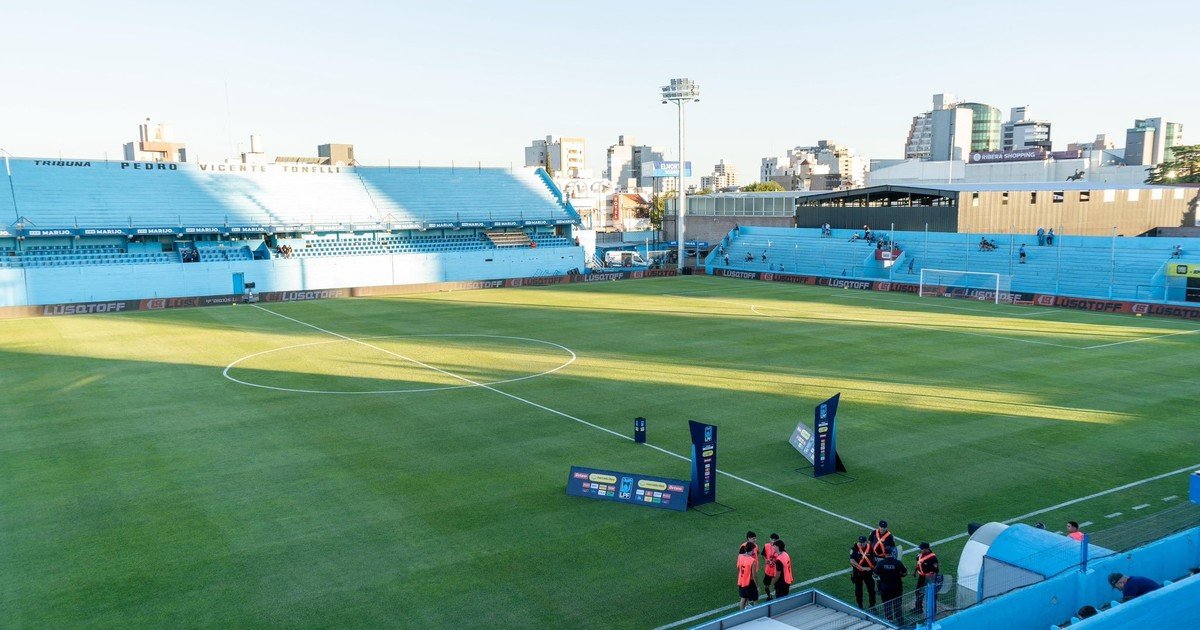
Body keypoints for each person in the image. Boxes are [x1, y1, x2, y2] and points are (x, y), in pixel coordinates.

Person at [874, 546, 908, 625]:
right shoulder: (897, 563)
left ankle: (889, 622)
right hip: (897, 587)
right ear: (892, 553)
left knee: (887, 605)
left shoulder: (881, 563)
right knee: (897, 605)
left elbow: (875, 574)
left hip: (885, 588)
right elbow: (905, 573)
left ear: (884, 553)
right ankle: (900, 621)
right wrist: (900, 575)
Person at [850, 535, 877, 609]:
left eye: (862, 542)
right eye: (860, 542)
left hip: (868, 573)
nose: (861, 544)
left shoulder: (870, 548)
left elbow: (874, 559)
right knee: (858, 590)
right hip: (858, 573)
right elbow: (852, 560)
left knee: (871, 589)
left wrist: (872, 568)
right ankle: (860, 605)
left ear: (866, 542)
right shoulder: (854, 548)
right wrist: (862, 568)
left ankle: (872, 606)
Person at [913, 542, 939, 615]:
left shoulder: (933, 558)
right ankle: (918, 608)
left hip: (930, 577)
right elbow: (918, 564)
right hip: (922, 577)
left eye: (922, 549)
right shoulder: (920, 555)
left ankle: (933, 611)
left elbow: (936, 570)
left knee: (932, 594)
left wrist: (932, 580)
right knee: (918, 592)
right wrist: (915, 571)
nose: (921, 550)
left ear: (927, 549)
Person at [737, 544, 759, 609]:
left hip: (741, 581)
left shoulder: (740, 556)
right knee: (755, 599)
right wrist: (757, 586)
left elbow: (738, 567)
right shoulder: (752, 561)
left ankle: (741, 613)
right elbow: (754, 575)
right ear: (751, 550)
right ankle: (756, 613)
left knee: (743, 599)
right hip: (749, 582)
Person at [762, 534, 780, 599]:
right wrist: (765, 559)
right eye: (772, 539)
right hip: (768, 570)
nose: (773, 541)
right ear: (770, 539)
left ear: (777, 540)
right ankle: (769, 596)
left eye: (775, 540)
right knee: (766, 586)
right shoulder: (766, 546)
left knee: (777, 586)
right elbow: (763, 554)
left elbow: (782, 558)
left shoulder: (780, 548)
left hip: (777, 571)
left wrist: (775, 561)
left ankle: (778, 598)